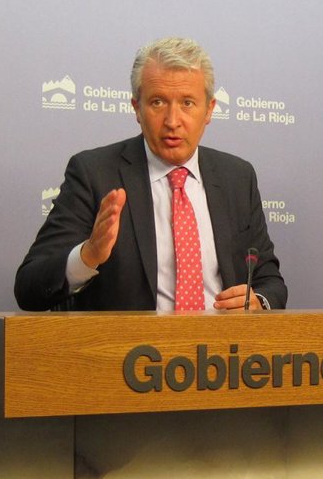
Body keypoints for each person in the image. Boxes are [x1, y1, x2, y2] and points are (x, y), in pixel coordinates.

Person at [15, 37, 286, 312]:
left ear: (209, 110)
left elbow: (270, 282)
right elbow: (29, 287)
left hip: (221, 340)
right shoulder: (93, 174)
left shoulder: (237, 178)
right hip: (131, 340)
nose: (172, 121)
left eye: (187, 103)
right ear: (137, 108)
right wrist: (88, 256)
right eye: (157, 102)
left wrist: (259, 301)